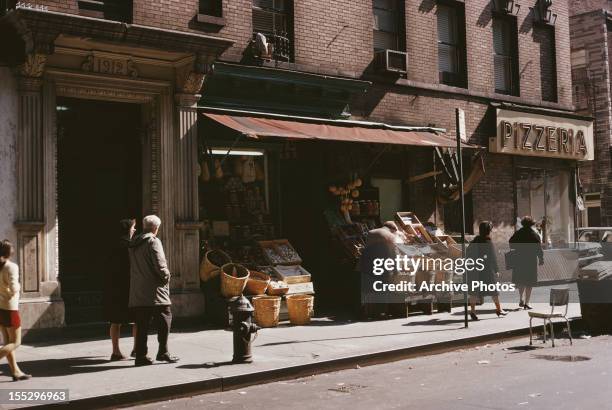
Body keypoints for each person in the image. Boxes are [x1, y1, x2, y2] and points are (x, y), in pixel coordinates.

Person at [128, 215, 178, 366]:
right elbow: (160, 265)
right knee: (164, 320)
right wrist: (167, 277)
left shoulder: (134, 243)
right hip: (156, 292)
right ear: (156, 228)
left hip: (139, 291)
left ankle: (141, 356)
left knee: (142, 324)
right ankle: (163, 352)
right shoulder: (153, 241)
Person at [105, 219, 137, 361]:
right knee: (137, 319)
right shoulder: (131, 246)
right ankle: (137, 349)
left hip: (114, 287)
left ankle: (115, 351)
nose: (134, 230)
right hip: (129, 286)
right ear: (127, 230)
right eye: (133, 228)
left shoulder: (111, 245)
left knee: (115, 320)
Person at [0, 240, 31, 381]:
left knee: (7, 341)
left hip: (0, 308)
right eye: (11, 247)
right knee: (16, 342)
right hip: (10, 308)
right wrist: (18, 286)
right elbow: (13, 289)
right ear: (8, 251)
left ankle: (15, 372)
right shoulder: (11, 266)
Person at [466, 221, 506, 321]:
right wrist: (496, 270)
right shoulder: (488, 242)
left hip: (475, 270)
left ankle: (473, 311)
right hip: (487, 270)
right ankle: (499, 309)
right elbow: (492, 258)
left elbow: (468, 254)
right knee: (494, 291)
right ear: (489, 231)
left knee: (474, 292)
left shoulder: (474, 241)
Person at [509, 216, 544, 310]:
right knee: (529, 282)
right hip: (530, 260)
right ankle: (527, 303)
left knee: (521, 280)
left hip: (519, 259)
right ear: (532, 224)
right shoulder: (534, 234)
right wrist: (541, 259)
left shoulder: (518, 233)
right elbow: (539, 248)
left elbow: (511, 242)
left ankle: (521, 299)